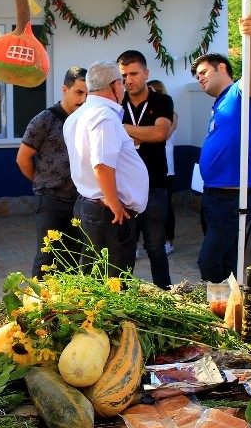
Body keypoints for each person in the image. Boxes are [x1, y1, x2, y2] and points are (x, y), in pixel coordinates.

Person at [192, 13, 251, 283]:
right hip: (213, 195)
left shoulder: (240, 94)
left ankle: (218, 309)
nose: (199, 79)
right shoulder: (220, 102)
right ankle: (228, 311)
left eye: (203, 72)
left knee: (209, 262)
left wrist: (250, 41)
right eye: (197, 76)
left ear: (222, 67)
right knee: (226, 262)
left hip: (232, 197)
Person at [64, 60, 148, 276]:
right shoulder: (104, 115)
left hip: (91, 205)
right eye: (121, 81)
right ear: (114, 86)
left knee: (95, 280)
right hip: (107, 212)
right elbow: (101, 165)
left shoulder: (76, 116)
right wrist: (116, 205)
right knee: (113, 283)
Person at [16, 65, 87, 277]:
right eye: (78, 92)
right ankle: (40, 307)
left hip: (79, 201)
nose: (83, 100)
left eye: (87, 94)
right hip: (50, 200)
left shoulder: (86, 120)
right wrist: (42, 182)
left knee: (73, 259)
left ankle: (68, 308)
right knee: (47, 258)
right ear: (65, 90)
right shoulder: (44, 119)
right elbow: (23, 159)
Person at [117, 50, 174, 289]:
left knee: (155, 246)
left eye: (133, 73)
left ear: (146, 73)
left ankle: (166, 295)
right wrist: (143, 134)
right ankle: (122, 301)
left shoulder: (162, 101)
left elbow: (160, 133)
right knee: (125, 250)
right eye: (123, 75)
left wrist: (124, 129)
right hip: (124, 187)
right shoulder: (117, 102)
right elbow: (111, 138)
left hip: (154, 185)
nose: (128, 80)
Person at [148, 79, 178, 255]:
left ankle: (169, 241)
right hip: (149, 166)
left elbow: (163, 135)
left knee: (166, 207)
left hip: (167, 168)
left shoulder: (170, 115)